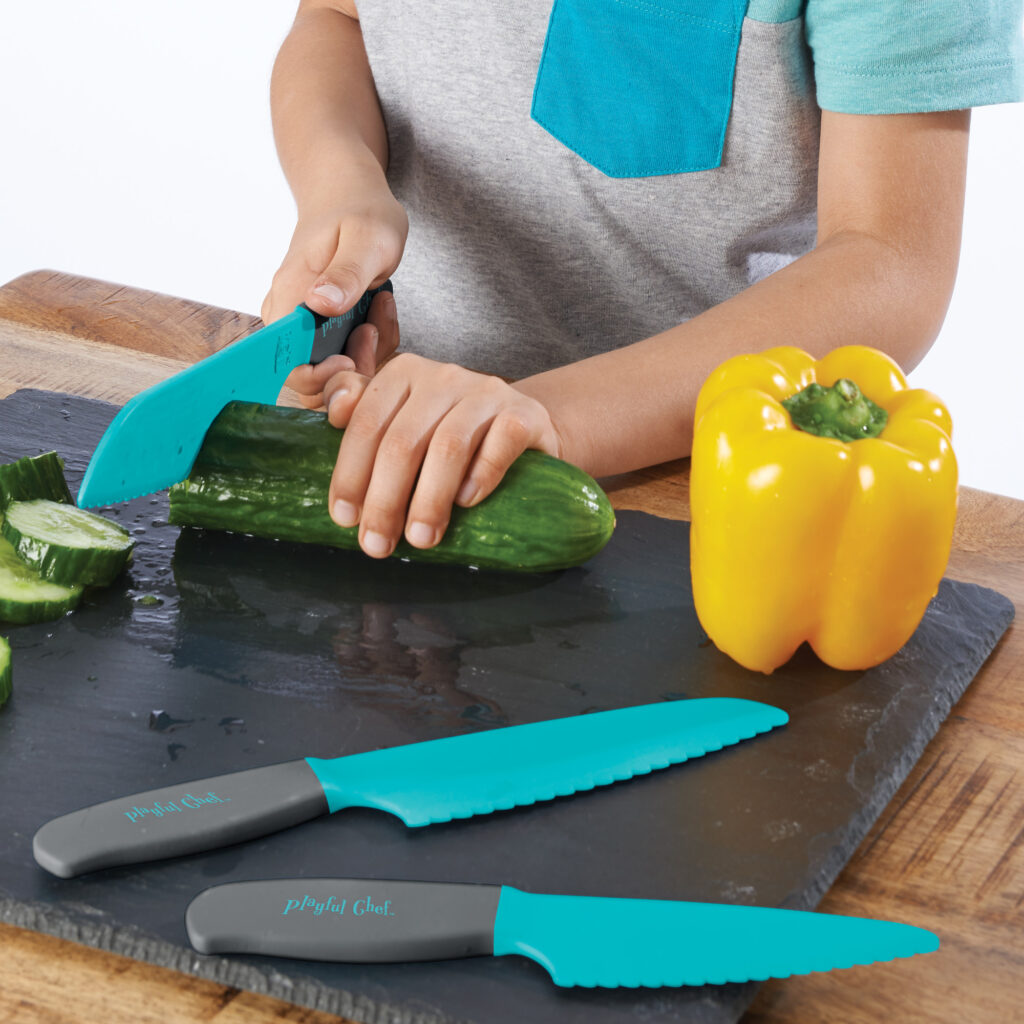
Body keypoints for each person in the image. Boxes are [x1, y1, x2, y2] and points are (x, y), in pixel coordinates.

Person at [260, 0, 1023, 560]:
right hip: (399, 436)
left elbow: (890, 259)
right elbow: (336, 18)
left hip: (720, 503)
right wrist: (342, 188)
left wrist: (549, 417)